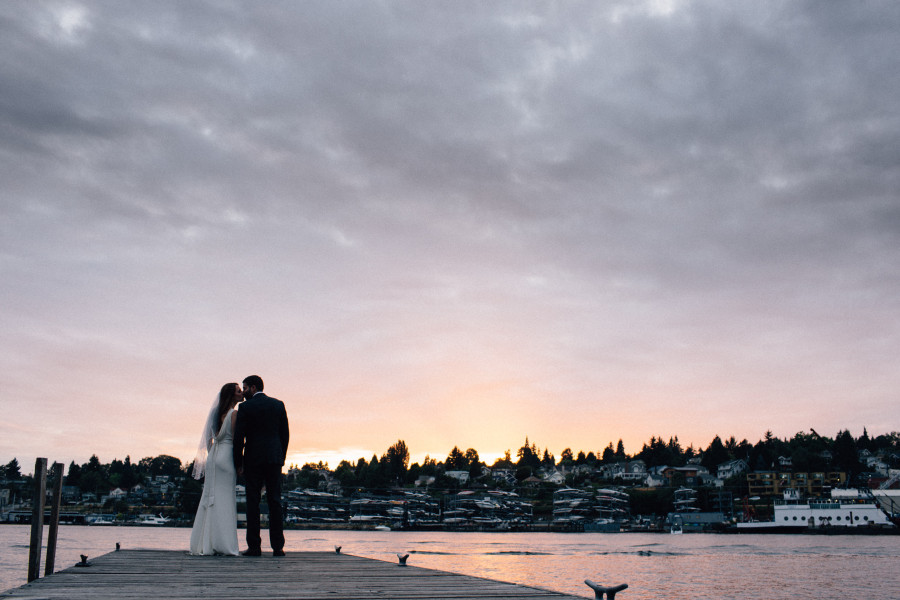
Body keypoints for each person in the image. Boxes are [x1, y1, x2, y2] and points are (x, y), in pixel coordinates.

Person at [233, 375, 290, 557]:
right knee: (275, 501)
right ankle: (278, 547)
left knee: (253, 502)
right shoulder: (278, 404)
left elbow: (239, 439)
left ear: (253, 387)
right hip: (274, 459)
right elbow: (285, 435)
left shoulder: (245, 407)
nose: (243, 392)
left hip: (253, 459)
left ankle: (255, 547)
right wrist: (281, 457)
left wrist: (238, 463)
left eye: (245, 388)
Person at [189, 382, 242, 556]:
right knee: (225, 499)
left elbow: (208, 438)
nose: (241, 393)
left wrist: (212, 454)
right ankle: (224, 544)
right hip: (226, 457)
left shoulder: (215, 413)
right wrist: (240, 463)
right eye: (238, 391)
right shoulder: (234, 414)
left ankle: (204, 542)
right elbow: (236, 441)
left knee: (210, 496)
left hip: (213, 457)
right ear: (232, 395)